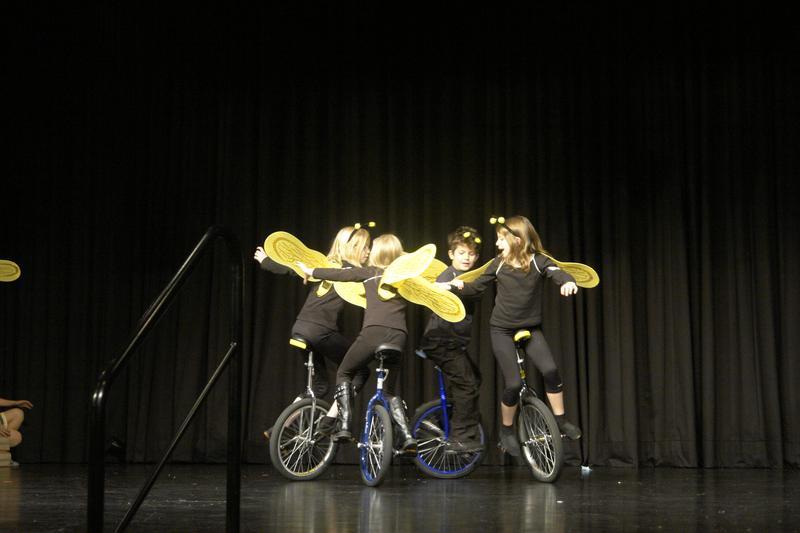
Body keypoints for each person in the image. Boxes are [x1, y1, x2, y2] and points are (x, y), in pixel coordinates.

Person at [451, 215, 581, 457]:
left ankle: (561, 420)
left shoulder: (538, 261)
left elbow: (558, 272)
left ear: (517, 239)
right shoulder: (498, 263)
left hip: (531, 328)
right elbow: (477, 286)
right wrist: (457, 286)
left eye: (501, 239)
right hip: (501, 330)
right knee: (513, 384)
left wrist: (568, 282)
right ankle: (507, 430)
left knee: (551, 371)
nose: (497, 244)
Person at [298, 234, 417, 453]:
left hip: (373, 333)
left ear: (376, 253)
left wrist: (312, 271)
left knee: (345, 372)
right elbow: (431, 289)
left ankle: (343, 425)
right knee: (389, 392)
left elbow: (341, 275)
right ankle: (407, 436)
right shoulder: (406, 277)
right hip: (399, 336)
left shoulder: (370, 273)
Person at [254, 226, 372, 433]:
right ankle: (330, 419)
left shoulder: (323, 266)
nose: (368, 252)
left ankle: (278, 430)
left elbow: (292, 268)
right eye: (365, 247)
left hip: (300, 328)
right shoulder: (352, 273)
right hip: (321, 332)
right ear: (353, 247)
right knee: (361, 370)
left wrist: (266, 261)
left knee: (319, 387)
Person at [418, 226, 484, 454]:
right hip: (441, 341)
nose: (467, 258)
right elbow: (436, 288)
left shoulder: (468, 278)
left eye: (471, 254)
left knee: (474, 379)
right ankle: (460, 438)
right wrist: (445, 287)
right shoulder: (448, 276)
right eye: (462, 253)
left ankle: (444, 421)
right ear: (451, 254)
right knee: (467, 385)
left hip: (452, 342)